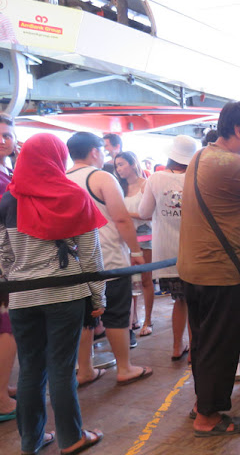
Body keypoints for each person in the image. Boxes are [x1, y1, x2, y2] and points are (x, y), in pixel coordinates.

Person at [0, 133, 105, 454]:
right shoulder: (72, 195)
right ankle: (71, 438)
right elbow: (90, 255)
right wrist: (98, 298)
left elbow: (3, 254)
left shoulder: (9, 199)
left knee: (31, 369)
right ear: (57, 159)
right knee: (62, 367)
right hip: (65, 295)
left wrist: (8, 289)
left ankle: (31, 440)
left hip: (21, 298)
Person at [178, 101, 240, 437]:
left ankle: (203, 403)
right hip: (219, 272)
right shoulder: (234, 165)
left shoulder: (202, 156)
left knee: (202, 342)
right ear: (239, 129)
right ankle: (209, 418)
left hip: (193, 269)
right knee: (221, 345)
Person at [67, 132, 152, 386]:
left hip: (75, 260)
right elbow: (122, 218)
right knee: (116, 312)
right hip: (108, 258)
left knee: (84, 317)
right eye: (101, 150)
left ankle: (84, 370)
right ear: (94, 152)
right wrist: (136, 252)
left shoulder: (62, 179)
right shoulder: (101, 177)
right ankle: (124, 368)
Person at [138, 135, 198, 360]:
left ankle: (176, 347)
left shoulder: (155, 179)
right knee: (195, 303)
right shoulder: (196, 178)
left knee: (179, 300)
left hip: (166, 253)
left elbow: (144, 213)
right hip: (194, 251)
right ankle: (194, 349)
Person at [114, 151, 154, 338]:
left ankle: (148, 320)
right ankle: (133, 318)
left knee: (146, 280)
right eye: (117, 165)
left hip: (145, 237)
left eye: (121, 164)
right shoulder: (118, 187)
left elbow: (151, 214)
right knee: (130, 281)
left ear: (132, 164)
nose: (119, 169)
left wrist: (126, 215)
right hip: (124, 238)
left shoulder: (146, 185)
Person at [0, 114, 16, 422]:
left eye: (7, 135)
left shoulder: (7, 170)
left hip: (9, 258)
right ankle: (0, 398)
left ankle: (2, 386)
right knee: (7, 329)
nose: (3, 140)